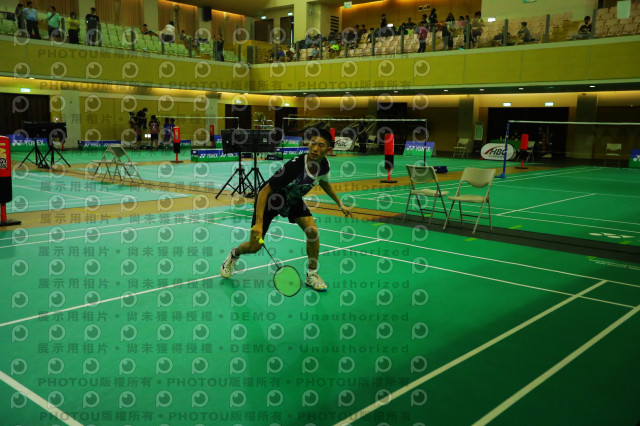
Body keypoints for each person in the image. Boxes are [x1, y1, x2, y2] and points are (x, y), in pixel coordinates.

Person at [220, 128, 353, 291]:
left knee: (312, 232)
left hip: (292, 200)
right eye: (313, 143)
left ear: (328, 149)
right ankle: (234, 254)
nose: (315, 148)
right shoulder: (295, 166)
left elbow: (324, 183)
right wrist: (259, 224)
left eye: (321, 145)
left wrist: (339, 203)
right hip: (271, 200)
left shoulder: (324, 165)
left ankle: (312, 275)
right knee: (254, 247)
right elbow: (264, 191)